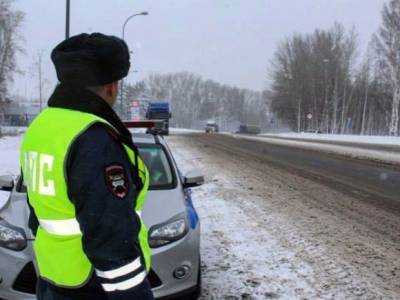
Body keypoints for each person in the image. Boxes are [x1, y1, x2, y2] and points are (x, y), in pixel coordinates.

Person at [20, 33, 154, 300]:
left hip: (53, 276)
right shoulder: (94, 138)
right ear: (111, 87)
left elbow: (36, 205)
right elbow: (110, 233)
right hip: (93, 284)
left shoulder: (42, 127)